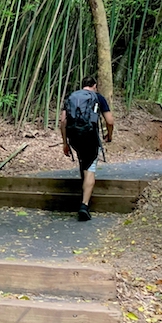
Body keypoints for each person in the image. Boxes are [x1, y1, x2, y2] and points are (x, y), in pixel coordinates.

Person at [59, 76, 114, 221]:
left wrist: (65, 143)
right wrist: (109, 135)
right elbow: (110, 121)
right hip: (90, 136)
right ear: (94, 86)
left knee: (83, 160)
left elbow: (63, 122)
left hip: (74, 137)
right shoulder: (98, 97)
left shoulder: (71, 97)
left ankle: (84, 194)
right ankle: (84, 205)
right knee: (90, 167)